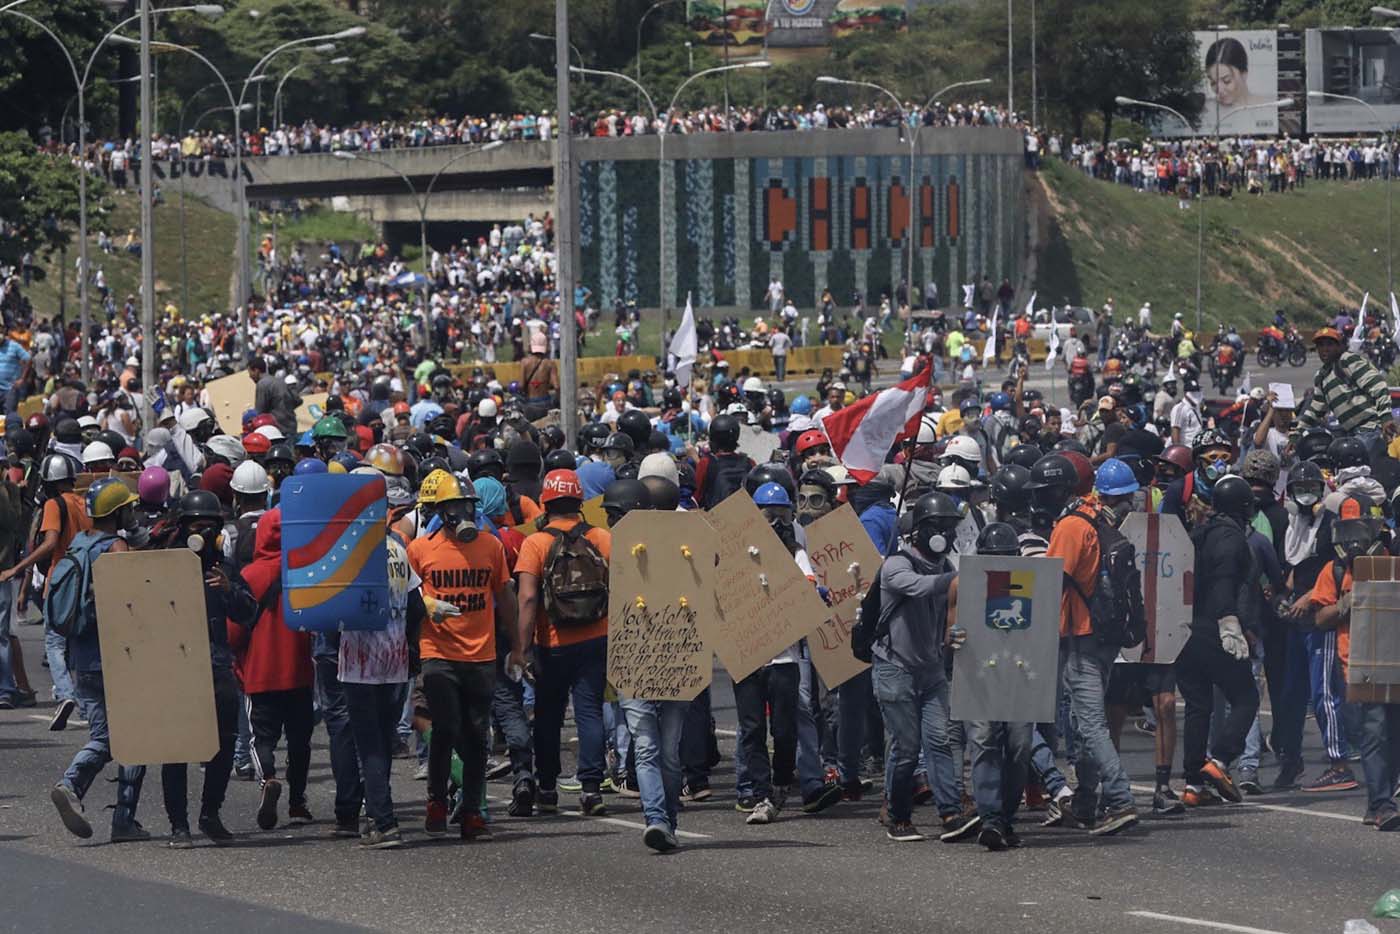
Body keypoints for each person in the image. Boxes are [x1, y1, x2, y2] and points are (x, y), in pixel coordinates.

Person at [407, 473, 516, 841]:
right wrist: (426, 604)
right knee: (447, 727)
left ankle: (472, 810)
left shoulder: (491, 547)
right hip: (438, 652)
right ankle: (437, 799)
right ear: (442, 512)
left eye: (468, 506)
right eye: (455, 508)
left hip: (481, 655)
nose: (463, 513)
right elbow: (404, 596)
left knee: (476, 736)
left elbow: (506, 598)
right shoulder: (420, 550)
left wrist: (518, 646)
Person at [1035, 453, 1139, 834]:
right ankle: (1085, 803)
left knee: (1091, 724)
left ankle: (1119, 799)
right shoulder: (1099, 521)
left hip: (1080, 636)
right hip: (1105, 635)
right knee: (1082, 724)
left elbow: (1051, 581)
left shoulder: (1072, 526)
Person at [509, 469, 612, 817]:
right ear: (579, 502)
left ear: (546, 503)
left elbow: (526, 599)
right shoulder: (601, 537)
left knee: (549, 716)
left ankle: (548, 787)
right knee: (589, 712)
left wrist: (521, 650)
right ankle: (592, 788)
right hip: (596, 638)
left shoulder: (535, 544)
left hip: (552, 643)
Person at [47, 479, 145, 843]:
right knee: (131, 739)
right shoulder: (115, 548)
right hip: (116, 657)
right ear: (118, 512)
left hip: (82, 657)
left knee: (105, 734)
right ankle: (116, 815)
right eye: (128, 507)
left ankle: (73, 789)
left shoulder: (80, 544)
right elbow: (135, 603)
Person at [162, 491, 257, 847]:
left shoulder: (223, 570)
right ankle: (178, 824)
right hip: (175, 668)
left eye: (211, 526)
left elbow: (250, 613)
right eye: (196, 526)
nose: (203, 533)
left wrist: (230, 590)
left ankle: (210, 814)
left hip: (217, 666)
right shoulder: (165, 566)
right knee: (176, 748)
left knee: (223, 743)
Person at [872, 492, 966, 843]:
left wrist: (953, 633)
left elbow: (952, 607)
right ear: (923, 530)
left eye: (951, 527)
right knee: (906, 746)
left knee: (940, 741)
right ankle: (898, 815)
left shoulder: (946, 569)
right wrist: (955, 583)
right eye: (942, 527)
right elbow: (919, 588)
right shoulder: (897, 565)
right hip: (894, 669)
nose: (948, 535)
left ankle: (950, 811)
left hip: (930, 670)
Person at [1309, 517, 1400, 830]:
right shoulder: (1333, 570)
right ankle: (1381, 804)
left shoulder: (1390, 565)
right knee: (1373, 733)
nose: (1353, 543)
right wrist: (1347, 602)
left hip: (1393, 661)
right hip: (1358, 665)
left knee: (1393, 736)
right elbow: (1320, 618)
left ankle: (1379, 798)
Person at [231, 508, 315, 833]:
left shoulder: (251, 575)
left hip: (260, 671)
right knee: (300, 741)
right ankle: (297, 801)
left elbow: (233, 630)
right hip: (299, 670)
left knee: (260, 738)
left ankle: (267, 779)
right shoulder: (307, 571)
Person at [1178, 475, 1260, 808]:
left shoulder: (1199, 533)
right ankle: (1221, 762)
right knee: (1246, 697)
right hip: (1215, 626)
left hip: (1186, 628)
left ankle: (1193, 785)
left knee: (1198, 707)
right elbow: (1225, 580)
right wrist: (1229, 622)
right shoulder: (1230, 537)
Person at [952, 522, 1034, 851]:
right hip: (979, 673)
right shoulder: (964, 584)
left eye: (1006, 557)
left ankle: (1006, 816)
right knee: (984, 741)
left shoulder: (1033, 585)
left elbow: (1042, 629)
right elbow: (949, 627)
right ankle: (990, 819)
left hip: (1020, 675)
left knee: (1020, 745)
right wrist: (953, 636)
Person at [1295, 328, 1389, 460]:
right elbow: (1314, 411)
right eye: (1320, 345)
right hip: (1351, 434)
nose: (1324, 349)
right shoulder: (1322, 376)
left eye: (1329, 344)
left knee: (1350, 468)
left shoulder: (1347, 360)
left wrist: (1386, 418)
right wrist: (1295, 437)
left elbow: (1378, 385)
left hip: (1369, 429)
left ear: (1339, 346)